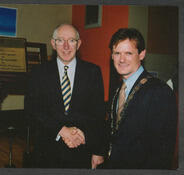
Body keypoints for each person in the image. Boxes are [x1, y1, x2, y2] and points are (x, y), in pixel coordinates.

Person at [25, 23, 108, 169]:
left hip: (82, 150)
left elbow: (98, 114)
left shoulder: (93, 72)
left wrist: (98, 151)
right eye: (60, 40)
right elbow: (32, 110)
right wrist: (61, 130)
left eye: (71, 40)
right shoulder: (38, 72)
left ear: (79, 43)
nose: (66, 46)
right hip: (47, 151)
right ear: (53, 43)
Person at [104, 28, 177, 169]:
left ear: (142, 54)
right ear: (112, 56)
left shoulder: (159, 91)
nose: (122, 59)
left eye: (128, 53)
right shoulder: (118, 89)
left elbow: (162, 152)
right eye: (117, 53)